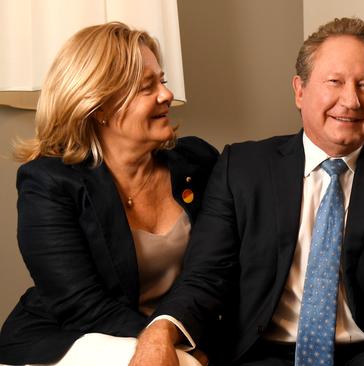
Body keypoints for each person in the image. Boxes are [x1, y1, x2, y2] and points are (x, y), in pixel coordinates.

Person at [130, 17, 364, 366]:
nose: (351, 100)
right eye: (335, 82)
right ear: (299, 91)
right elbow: (206, 276)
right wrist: (161, 330)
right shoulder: (242, 167)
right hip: (263, 354)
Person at [0, 22, 219, 365]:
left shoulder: (199, 162)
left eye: (161, 80)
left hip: (174, 336)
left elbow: (221, 267)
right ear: (99, 106)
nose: (165, 95)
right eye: (147, 87)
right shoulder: (48, 181)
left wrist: (176, 336)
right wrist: (176, 348)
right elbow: (80, 304)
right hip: (68, 338)